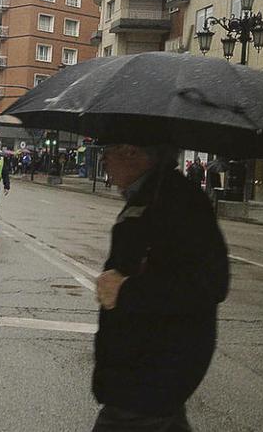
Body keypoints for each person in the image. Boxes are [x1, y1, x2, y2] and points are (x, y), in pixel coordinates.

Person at [92, 144, 229, 431]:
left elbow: (210, 283)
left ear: (133, 153)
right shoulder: (151, 196)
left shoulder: (176, 201)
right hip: (149, 370)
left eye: (109, 150)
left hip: (149, 373)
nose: (103, 159)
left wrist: (125, 291)